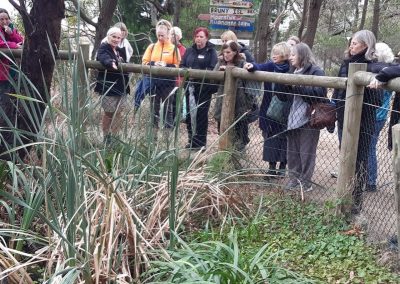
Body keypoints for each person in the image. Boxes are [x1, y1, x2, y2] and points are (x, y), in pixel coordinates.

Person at [333, 30, 383, 214]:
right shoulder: (346, 64)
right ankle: (343, 195)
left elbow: (376, 101)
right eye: (351, 43)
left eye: (355, 43)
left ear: (365, 45)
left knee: (360, 160)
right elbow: (338, 91)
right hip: (343, 118)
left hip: (363, 122)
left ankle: (355, 201)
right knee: (345, 156)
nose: (351, 46)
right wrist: (337, 108)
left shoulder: (373, 67)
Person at [283, 43, 327, 191]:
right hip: (292, 117)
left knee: (306, 151)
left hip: (309, 118)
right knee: (292, 151)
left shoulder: (316, 72)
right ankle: (293, 179)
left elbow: (319, 94)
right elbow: (282, 96)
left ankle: (305, 182)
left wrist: (297, 85)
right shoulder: (292, 71)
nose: (290, 58)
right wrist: (285, 85)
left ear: (302, 55)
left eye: (293, 55)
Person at [244, 42, 290, 178]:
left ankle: (282, 166)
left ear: (284, 54)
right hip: (269, 109)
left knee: (284, 138)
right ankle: (271, 168)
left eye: (277, 53)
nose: (274, 56)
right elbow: (259, 67)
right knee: (269, 138)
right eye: (273, 53)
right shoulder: (271, 66)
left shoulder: (291, 68)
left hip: (285, 109)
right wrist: (251, 66)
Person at [180, 27, 218, 150]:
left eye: (201, 37)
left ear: (206, 38)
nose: (199, 39)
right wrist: (187, 72)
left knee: (201, 114)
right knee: (190, 114)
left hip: (204, 88)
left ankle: (201, 143)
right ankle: (191, 140)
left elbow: (212, 68)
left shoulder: (211, 52)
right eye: (197, 36)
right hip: (190, 88)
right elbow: (182, 65)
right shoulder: (189, 51)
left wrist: (198, 73)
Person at [214, 40, 256, 152]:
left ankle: (238, 152)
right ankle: (224, 152)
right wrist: (219, 69)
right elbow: (212, 80)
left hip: (240, 102)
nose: (226, 55)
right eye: (224, 52)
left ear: (235, 52)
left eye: (228, 52)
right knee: (222, 128)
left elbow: (248, 79)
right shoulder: (220, 63)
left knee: (239, 130)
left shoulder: (242, 63)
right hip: (222, 102)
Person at [365, 42, 395, 192]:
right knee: (368, 147)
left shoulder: (384, 71)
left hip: (376, 115)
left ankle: (370, 181)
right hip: (379, 115)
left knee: (369, 147)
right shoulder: (388, 70)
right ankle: (367, 179)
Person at [142, 19, 180, 134]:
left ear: (168, 34)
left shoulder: (174, 48)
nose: (160, 37)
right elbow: (144, 62)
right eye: (158, 35)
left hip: (168, 84)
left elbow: (177, 65)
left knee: (168, 110)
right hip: (154, 83)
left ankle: (166, 139)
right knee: (154, 110)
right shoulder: (152, 47)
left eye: (162, 35)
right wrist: (154, 64)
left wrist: (166, 65)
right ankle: (152, 138)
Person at [94, 27, 130, 145]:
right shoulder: (104, 47)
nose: (116, 39)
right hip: (109, 87)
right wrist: (110, 63)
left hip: (122, 86)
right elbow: (103, 57)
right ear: (108, 36)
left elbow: (126, 63)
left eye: (118, 37)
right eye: (113, 36)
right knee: (109, 113)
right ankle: (106, 137)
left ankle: (115, 137)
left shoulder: (121, 50)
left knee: (119, 113)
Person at [0, 8, 23, 94]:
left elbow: (21, 40)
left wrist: (11, 33)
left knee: (12, 98)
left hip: (13, 70)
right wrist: (14, 46)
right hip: (2, 73)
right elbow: (1, 43)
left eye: (6, 19)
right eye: (1, 19)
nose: (4, 21)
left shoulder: (11, 28)